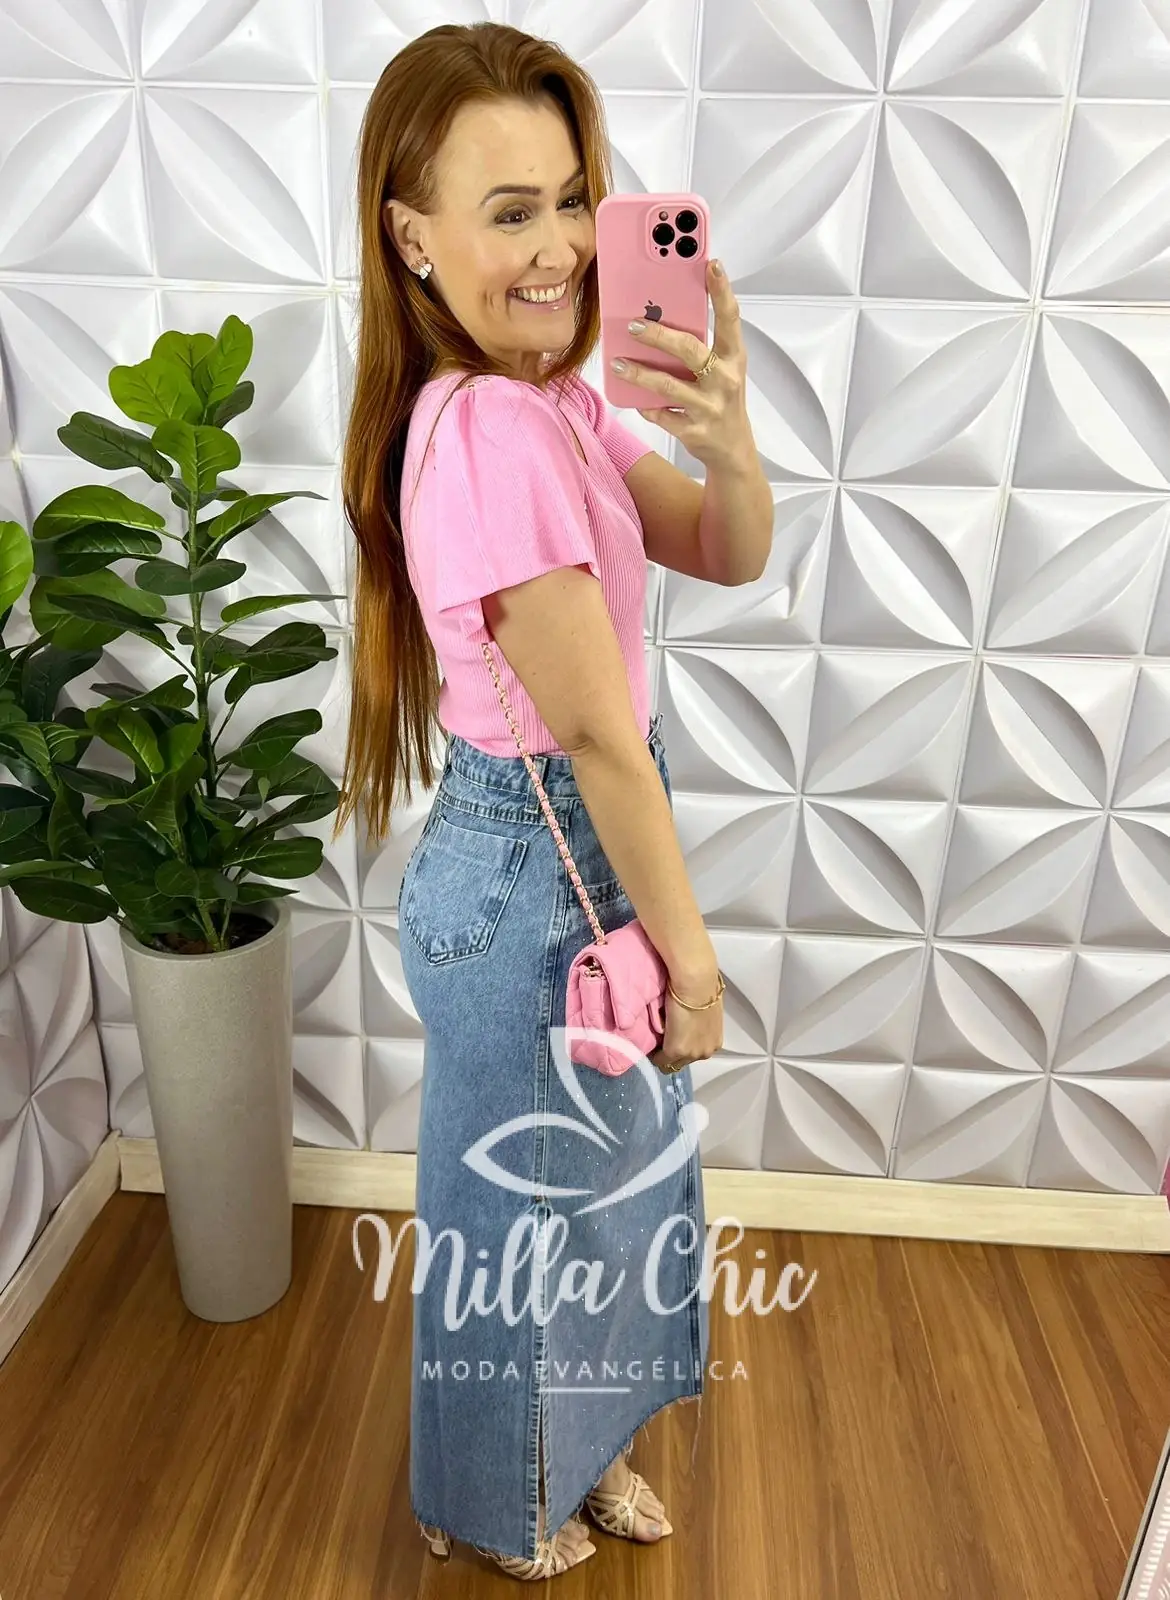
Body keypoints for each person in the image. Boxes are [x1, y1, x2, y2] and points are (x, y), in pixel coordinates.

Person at [334, 18, 770, 1583]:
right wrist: (693, 963)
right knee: (523, 1225)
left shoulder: (558, 409)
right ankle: (494, 1497)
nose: (561, 248)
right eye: (508, 210)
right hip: (539, 868)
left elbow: (724, 549)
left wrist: (726, 433)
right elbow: (594, 737)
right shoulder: (488, 433)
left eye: (575, 200)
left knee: (595, 1204)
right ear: (412, 237)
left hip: (571, 859)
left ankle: (568, 1458)